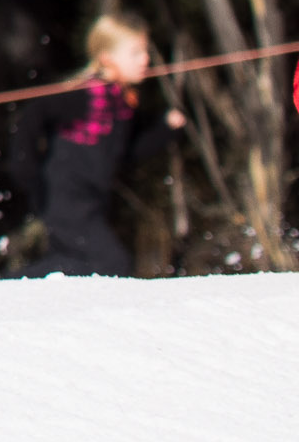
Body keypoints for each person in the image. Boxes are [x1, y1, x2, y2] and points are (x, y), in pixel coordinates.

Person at [15, 14, 182, 278]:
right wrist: (28, 172)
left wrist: (166, 130)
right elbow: (33, 115)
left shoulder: (121, 103)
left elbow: (127, 154)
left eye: (145, 52)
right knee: (113, 263)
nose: (145, 60)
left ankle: (11, 291)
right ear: (106, 58)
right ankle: (6, 287)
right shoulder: (85, 95)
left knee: (74, 265)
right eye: (135, 53)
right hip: (66, 200)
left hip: (91, 202)